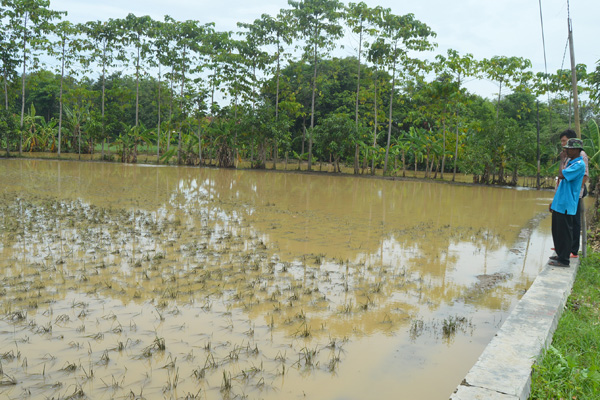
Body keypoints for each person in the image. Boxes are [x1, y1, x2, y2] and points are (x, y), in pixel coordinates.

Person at [549, 137, 586, 267]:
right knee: (557, 230)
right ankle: (560, 255)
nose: (566, 151)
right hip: (560, 202)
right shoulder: (571, 162)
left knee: (565, 232)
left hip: (566, 204)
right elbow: (561, 183)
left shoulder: (579, 164)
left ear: (576, 150)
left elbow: (562, 175)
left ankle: (564, 260)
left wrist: (562, 160)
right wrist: (554, 202)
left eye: (569, 149)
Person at [557, 129, 589, 257]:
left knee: (573, 222)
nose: (563, 145)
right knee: (565, 221)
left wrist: (574, 193)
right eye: (562, 142)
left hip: (574, 195)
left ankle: (573, 250)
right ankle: (565, 246)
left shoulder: (581, 156)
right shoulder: (567, 155)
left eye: (565, 141)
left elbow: (584, 176)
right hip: (566, 195)